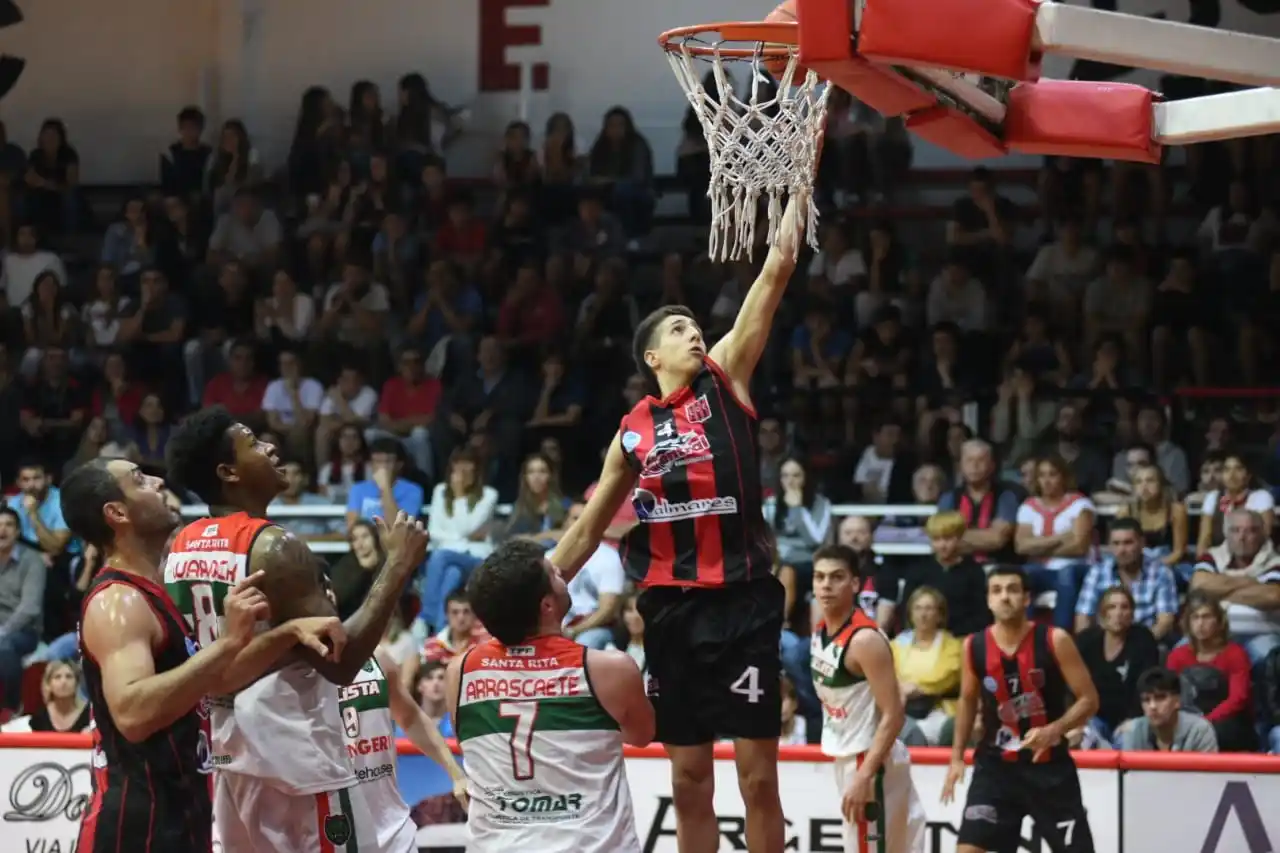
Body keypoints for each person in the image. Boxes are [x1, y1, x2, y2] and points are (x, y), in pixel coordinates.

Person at [550, 198, 803, 853]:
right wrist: (536, 585)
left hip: (744, 601)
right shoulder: (631, 430)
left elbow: (774, 274)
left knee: (758, 779)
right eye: (680, 330)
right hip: (671, 614)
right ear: (652, 356)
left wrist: (799, 185)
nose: (695, 334)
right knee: (689, 779)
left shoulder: (728, 379)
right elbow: (585, 532)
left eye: (697, 326)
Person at [164, 406, 430, 852]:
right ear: (228, 471)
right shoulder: (275, 545)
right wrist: (397, 567)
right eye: (253, 442)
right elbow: (342, 664)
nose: (270, 448)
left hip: (232, 754)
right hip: (298, 759)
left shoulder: (182, 545)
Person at [59, 458, 344, 852]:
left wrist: (287, 633)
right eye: (140, 480)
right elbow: (133, 713)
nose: (159, 482)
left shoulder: (153, 589)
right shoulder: (119, 601)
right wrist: (228, 642)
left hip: (181, 811)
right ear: (117, 512)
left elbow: (212, 680)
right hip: (136, 825)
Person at [447, 539, 654, 853]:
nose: (562, 571)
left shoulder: (461, 670)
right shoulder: (609, 669)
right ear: (546, 605)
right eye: (555, 573)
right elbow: (642, 734)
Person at [942, 565, 1100, 853]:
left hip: (1049, 769)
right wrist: (956, 758)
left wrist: (1054, 730)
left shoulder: (1055, 639)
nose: (1005, 597)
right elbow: (966, 701)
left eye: (1013, 590)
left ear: (1027, 599)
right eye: (997, 590)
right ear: (988, 599)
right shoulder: (973, 645)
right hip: (996, 767)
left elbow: (1089, 699)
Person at [809, 544, 927, 852]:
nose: (826, 585)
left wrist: (865, 775)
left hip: (869, 760)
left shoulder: (864, 641)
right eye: (819, 577)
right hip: (853, 755)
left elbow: (894, 714)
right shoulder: (820, 630)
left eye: (836, 577)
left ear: (856, 583)